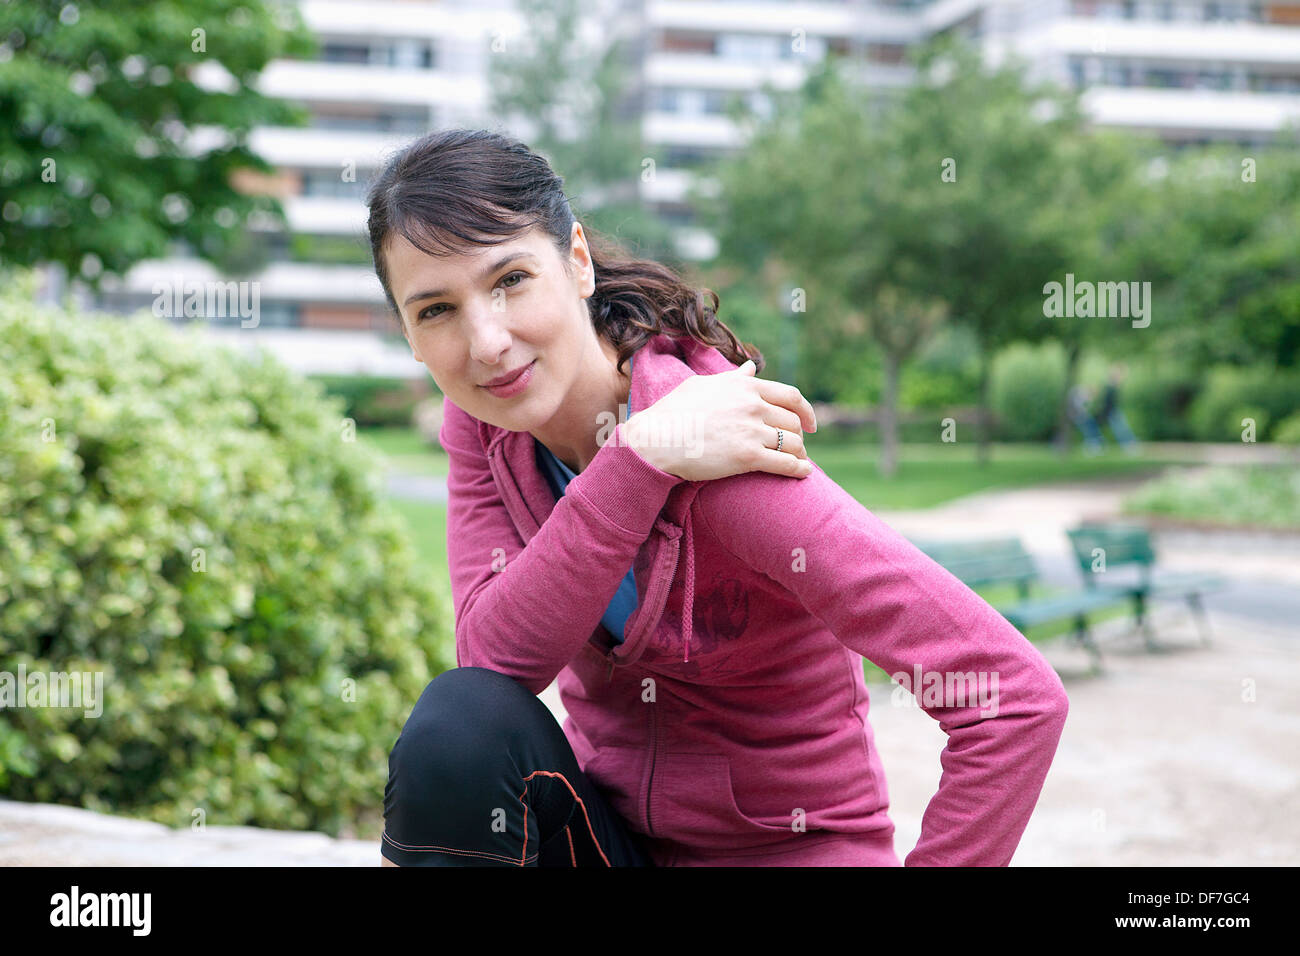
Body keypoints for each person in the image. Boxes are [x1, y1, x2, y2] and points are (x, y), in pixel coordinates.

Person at [368, 128, 1069, 867]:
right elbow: (492, 668)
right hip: (615, 848)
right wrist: (633, 463)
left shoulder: (729, 463)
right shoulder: (485, 423)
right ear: (409, 334)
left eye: (510, 279)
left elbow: (1013, 699)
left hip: (783, 854)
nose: (487, 343)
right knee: (455, 725)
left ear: (576, 262)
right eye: (436, 310)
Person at [1095, 364, 1139, 454]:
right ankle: (1130, 445)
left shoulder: (1111, 387)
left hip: (1113, 411)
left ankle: (1130, 445)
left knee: (1121, 429)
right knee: (1120, 429)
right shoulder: (1110, 387)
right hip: (1111, 411)